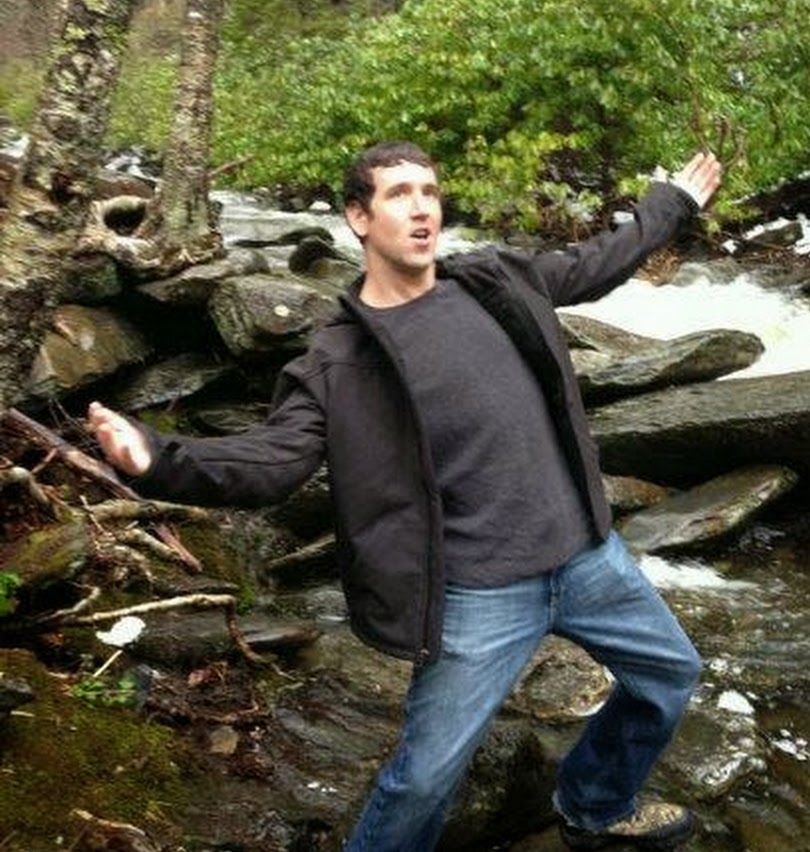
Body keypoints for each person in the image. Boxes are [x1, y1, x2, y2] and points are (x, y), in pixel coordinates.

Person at [89, 140, 721, 852]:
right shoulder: (338, 360)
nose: (422, 209)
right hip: (478, 596)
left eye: (429, 192)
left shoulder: (494, 280)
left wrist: (671, 205)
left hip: (587, 557)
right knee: (421, 780)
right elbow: (274, 462)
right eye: (399, 194)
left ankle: (594, 805)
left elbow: (596, 263)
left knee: (669, 675)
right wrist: (159, 458)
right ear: (358, 217)